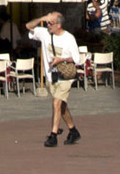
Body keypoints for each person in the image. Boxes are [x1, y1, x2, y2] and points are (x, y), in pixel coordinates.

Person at [26, 9, 84, 147]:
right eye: (48, 23)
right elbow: (28, 26)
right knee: (61, 106)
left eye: (51, 23)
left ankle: (53, 136)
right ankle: (73, 130)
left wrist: (61, 59)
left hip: (65, 76)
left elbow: (77, 59)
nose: (48, 25)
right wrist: (43, 18)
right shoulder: (45, 33)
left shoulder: (68, 38)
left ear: (59, 25)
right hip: (51, 76)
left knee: (56, 103)